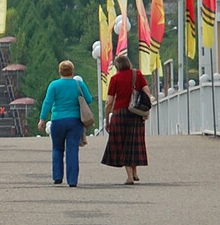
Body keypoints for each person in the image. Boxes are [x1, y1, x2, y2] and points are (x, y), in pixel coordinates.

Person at [36, 59, 93, 187]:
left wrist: (42, 119)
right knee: (72, 150)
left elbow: (47, 102)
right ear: (72, 71)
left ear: (60, 71)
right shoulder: (78, 84)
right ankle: (72, 180)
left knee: (57, 148)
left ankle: (57, 176)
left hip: (57, 121)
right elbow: (89, 99)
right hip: (75, 121)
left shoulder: (54, 85)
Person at [101, 53, 152, 184]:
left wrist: (107, 119)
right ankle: (135, 172)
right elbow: (146, 92)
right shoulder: (137, 75)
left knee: (123, 144)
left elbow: (109, 102)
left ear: (117, 66)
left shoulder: (115, 79)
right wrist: (146, 111)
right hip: (135, 113)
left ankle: (130, 176)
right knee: (133, 142)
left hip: (120, 114)